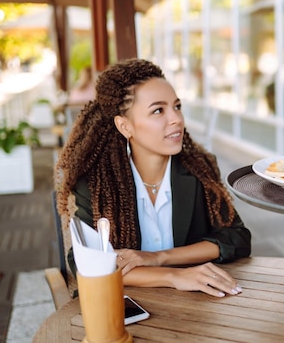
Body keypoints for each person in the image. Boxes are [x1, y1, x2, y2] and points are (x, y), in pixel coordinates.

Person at [55, 58, 251, 298]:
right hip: (126, 306)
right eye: (158, 110)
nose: (176, 119)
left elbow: (237, 237)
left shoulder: (198, 167)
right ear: (124, 126)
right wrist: (173, 276)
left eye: (177, 106)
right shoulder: (98, 183)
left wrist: (159, 257)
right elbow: (86, 263)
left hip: (195, 304)